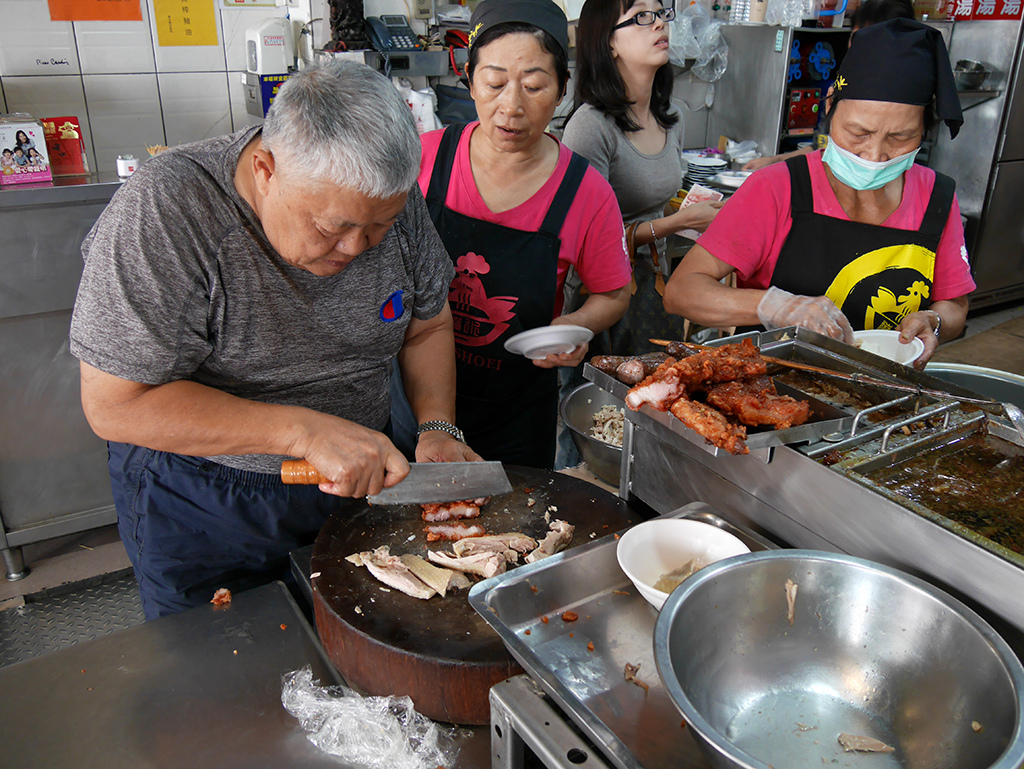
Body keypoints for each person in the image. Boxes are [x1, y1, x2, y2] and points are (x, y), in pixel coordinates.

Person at [70, 61, 478, 620]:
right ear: (266, 169)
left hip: (358, 477)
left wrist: (434, 426)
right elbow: (115, 404)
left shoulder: (384, 203)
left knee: (358, 655)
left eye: (380, 225)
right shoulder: (166, 212)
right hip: (207, 497)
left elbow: (427, 323)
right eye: (332, 226)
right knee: (226, 674)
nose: (359, 246)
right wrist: (305, 432)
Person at [664, 19, 975, 368]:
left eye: (900, 137)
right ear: (830, 106)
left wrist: (933, 321)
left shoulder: (936, 198)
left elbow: (955, 305)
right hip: (773, 392)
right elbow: (682, 292)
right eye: (858, 132)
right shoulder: (777, 187)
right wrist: (776, 305)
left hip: (881, 395)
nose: (874, 154)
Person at [413, 0, 632, 469]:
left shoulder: (586, 193)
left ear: (562, 91)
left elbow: (613, 294)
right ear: (469, 81)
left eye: (533, 86)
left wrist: (574, 329)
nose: (511, 106)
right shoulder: (422, 162)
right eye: (493, 83)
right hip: (414, 407)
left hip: (517, 412)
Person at [562, 0, 723, 272]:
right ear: (609, 43)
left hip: (654, 283)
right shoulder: (590, 127)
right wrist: (681, 222)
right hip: (603, 294)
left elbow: (654, 209)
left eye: (660, 13)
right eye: (641, 16)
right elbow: (588, 237)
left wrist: (697, 211)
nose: (659, 23)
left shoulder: (671, 117)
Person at [743, 0, 916, 172]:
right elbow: (821, 146)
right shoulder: (844, 86)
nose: (858, 48)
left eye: (869, 41)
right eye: (855, 38)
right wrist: (775, 161)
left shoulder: (909, 101)